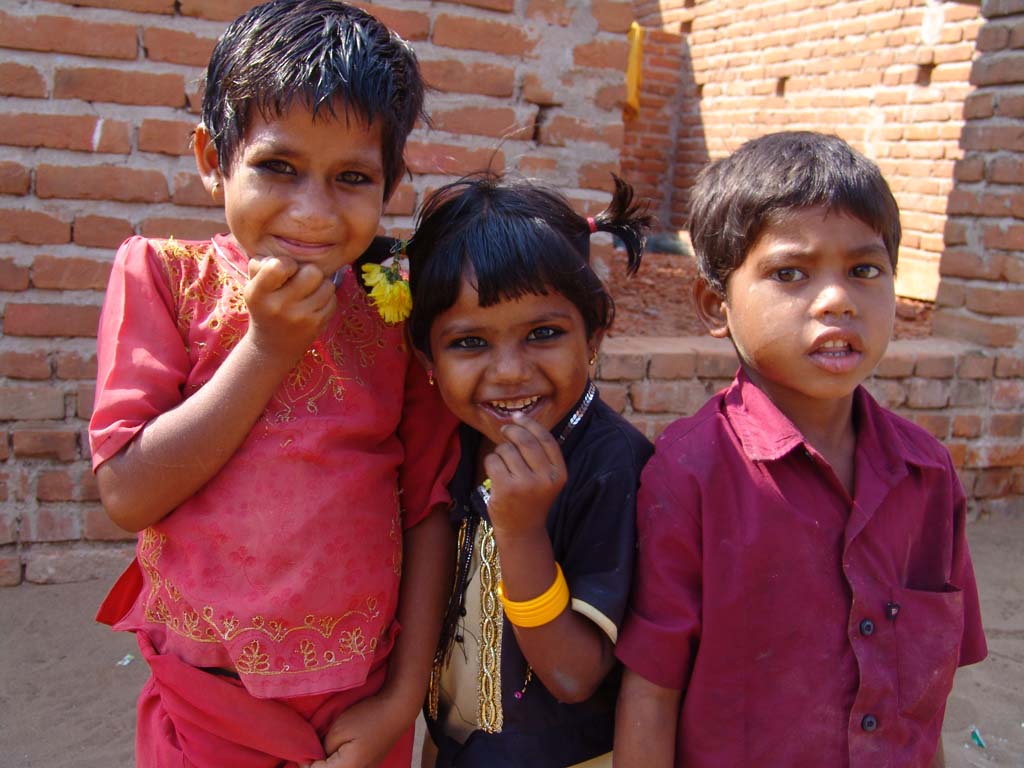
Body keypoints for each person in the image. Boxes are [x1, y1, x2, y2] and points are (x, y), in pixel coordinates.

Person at [88, 2, 459, 766]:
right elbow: (129, 493)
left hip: (358, 699)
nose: (313, 212)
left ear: (390, 182)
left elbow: (429, 510)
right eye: (277, 167)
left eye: (351, 177)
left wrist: (398, 701)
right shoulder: (163, 277)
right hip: (208, 697)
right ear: (211, 158)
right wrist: (266, 349)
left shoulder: (396, 304)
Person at [612, 131, 988, 768]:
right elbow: (652, 690)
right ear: (716, 304)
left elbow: (924, 704)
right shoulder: (692, 473)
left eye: (864, 270)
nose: (838, 300)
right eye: (790, 273)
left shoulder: (927, 474)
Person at [405, 172, 654, 767]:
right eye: (469, 343)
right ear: (427, 359)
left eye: (543, 334)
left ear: (593, 336)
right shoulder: (453, 442)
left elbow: (572, 674)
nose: (511, 372)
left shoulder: (612, 467)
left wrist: (521, 531)